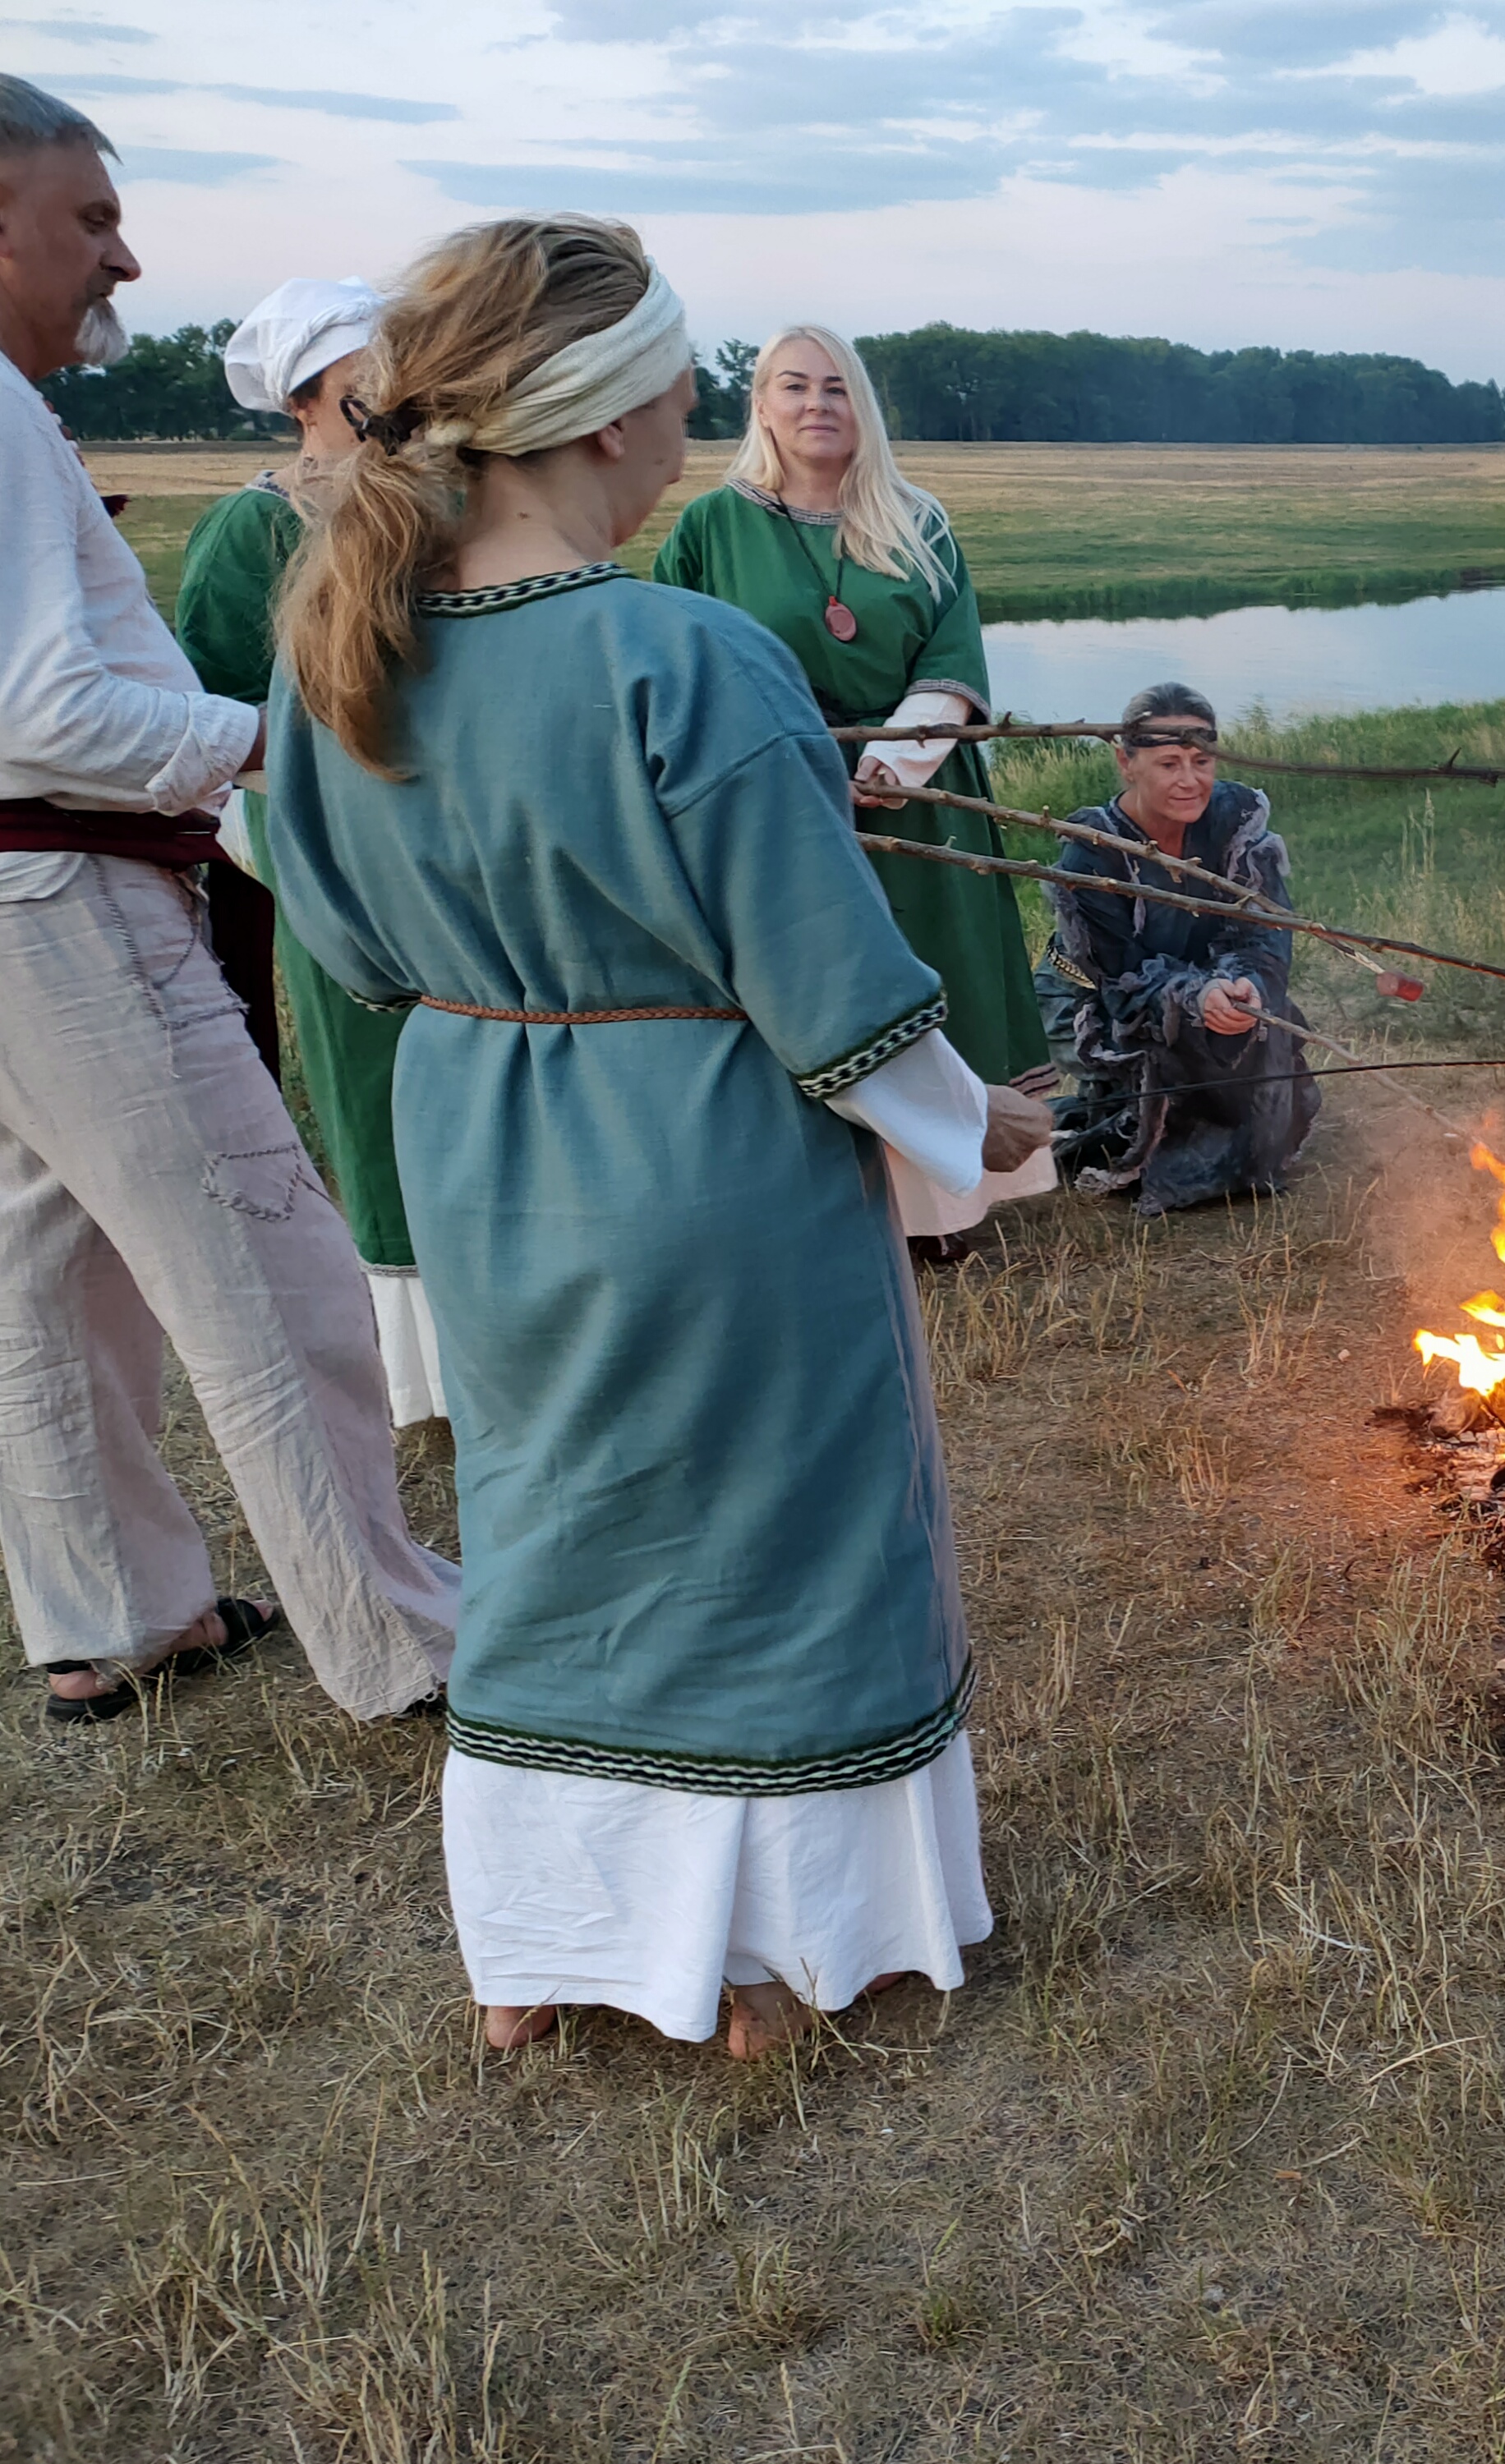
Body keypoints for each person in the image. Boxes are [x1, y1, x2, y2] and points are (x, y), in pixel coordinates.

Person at [262, 214, 1055, 2056]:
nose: (699, 410)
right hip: (707, 1156)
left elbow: (354, 947)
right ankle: (766, 1945)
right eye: (682, 381)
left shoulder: (345, 654)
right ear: (607, 419)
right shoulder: (683, 660)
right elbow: (828, 985)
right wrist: (975, 1121)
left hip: (482, 1142)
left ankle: (544, 1938)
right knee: (771, 1533)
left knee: (547, 1521)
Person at [0, 76, 454, 1724]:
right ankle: (402, 1635)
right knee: (273, 1269)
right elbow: (44, 712)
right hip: (58, 894)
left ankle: (116, 1612)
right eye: (91, 221)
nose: (122, 263)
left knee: (46, 1271)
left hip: (23, 903)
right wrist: (266, 745)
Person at [654, 323, 1052, 1263]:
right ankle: (830, 1202)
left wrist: (891, 763)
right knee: (820, 981)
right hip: (775, 790)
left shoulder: (919, 519)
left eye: (836, 388)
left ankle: (941, 1214)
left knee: (926, 976)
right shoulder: (711, 527)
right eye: (793, 386)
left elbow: (953, 654)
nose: (816, 405)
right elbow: (679, 663)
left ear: (860, 405)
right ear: (761, 403)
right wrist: (796, 765)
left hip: (917, 788)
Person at [173, 274, 453, 1431]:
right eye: (363, 374)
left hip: (458, 851)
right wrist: (294, 851)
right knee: (377, 1095)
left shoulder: (439, 506)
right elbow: (208, 715)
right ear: (305, 397)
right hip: (332, 862)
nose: (390, 390)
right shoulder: (254, 529)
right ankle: (429, 1379)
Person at [1042, 683, 1318, 1217]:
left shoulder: (1236, 826)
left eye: (1201, 761)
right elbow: (1121, 982)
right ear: (1126, 762)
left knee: (1260, 1027)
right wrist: (1196, 997)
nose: (1189, 781)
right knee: (1148, 1090)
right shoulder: (1090, 857)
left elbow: (1264, 935)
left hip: (1209, 983)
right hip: (1101, 1002)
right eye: (1168, 763)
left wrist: (1246, 986)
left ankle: (1238, 1158)